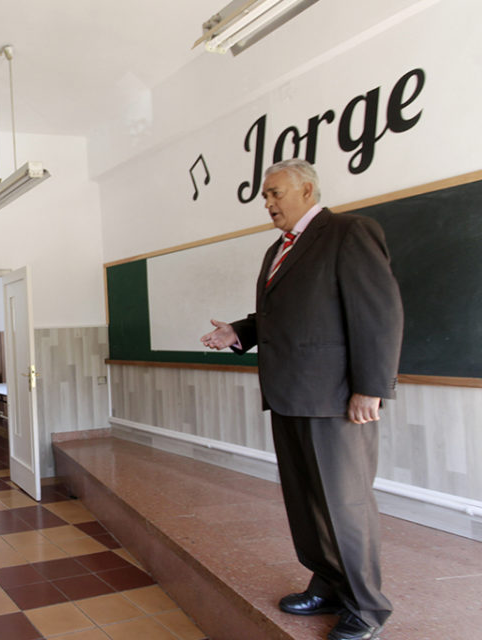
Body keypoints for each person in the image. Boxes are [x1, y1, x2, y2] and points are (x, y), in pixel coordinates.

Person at [201, 159, 403, 640]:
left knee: (344, 505)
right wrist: (240, 331)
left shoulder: (349, 232)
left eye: (274, 194)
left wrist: (370, 387)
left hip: (335, 399)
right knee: (306, 502)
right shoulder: (278, 248)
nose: (267, 203)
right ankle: (329, 584)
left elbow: (380, 314)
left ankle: (367, 608)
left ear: (306, 190)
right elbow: (288, 313)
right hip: (288, 395)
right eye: (265, 196)